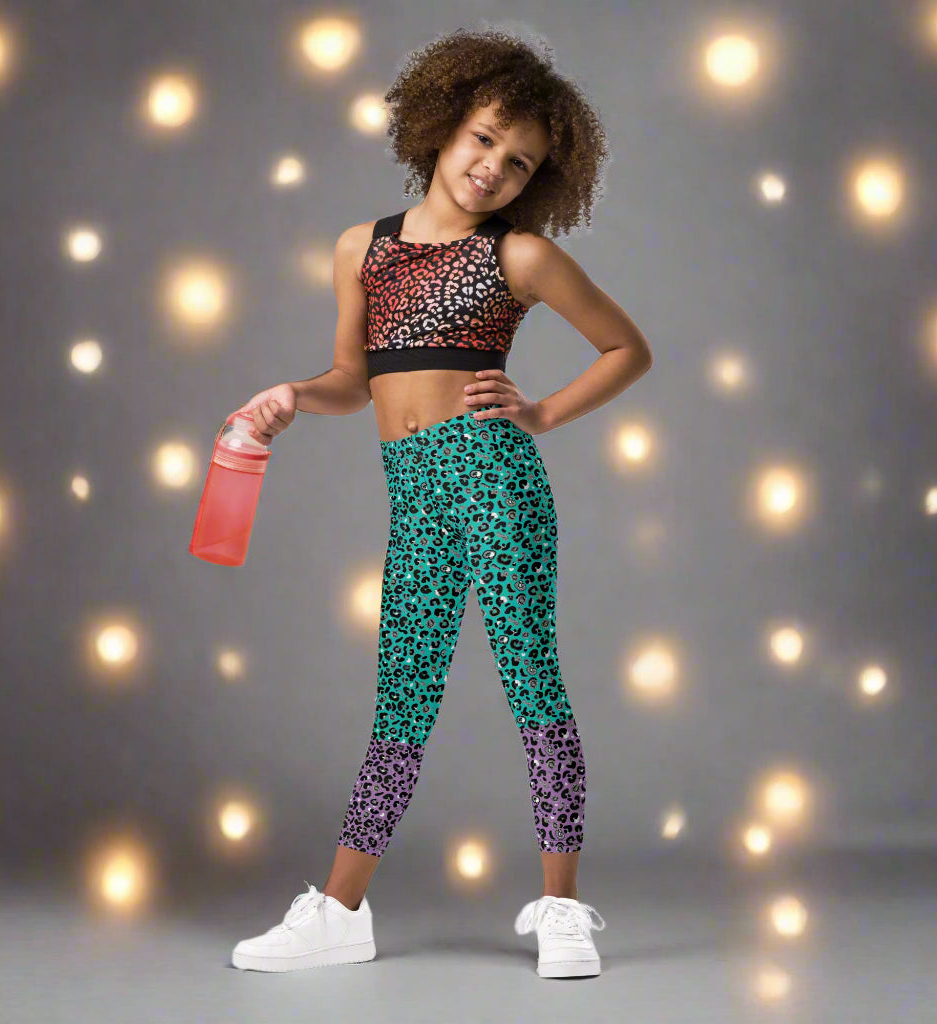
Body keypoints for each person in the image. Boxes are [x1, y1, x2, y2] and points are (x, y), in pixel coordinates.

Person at [230, 26, 653, 978]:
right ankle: (339, 912)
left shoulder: (523, 257)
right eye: (483, 139)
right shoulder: (362, 249)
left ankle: (563, 910)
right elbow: (352, 377)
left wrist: (540, 412)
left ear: (537, 180)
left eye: (520, 163)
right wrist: (294, 397)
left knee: (533, 685)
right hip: (414, 498)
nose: (493, 168)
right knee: (400, 705)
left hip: (497, 483)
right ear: (443, 122)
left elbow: (629, 348)